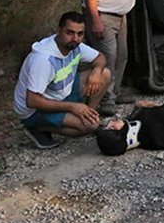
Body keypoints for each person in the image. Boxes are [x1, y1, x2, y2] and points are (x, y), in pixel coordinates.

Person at [14, 12, 112, 149]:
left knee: (104, 74)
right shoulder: (43, 60)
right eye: (70, 32)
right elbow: (32, 101)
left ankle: (87, 115)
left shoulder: (74, 45)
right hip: (35, 110)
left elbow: (100, 58)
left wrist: (96, 71)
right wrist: (73, 107)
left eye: (80, 34)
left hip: (61, 94)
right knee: (92, 126)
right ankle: (37, 128)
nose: (75, 38)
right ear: (59, 31)